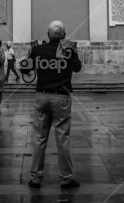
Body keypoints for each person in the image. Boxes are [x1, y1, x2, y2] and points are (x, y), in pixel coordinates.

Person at [21, 20, 82, 190]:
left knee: (39, 139)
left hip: (42, 96)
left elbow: (25, 70)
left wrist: (30, 55)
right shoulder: (68, 51)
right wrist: (73, 51)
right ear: (63, 35)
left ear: (48, 35)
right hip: (61, 98)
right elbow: (77, 68)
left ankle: (35, 177)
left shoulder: (37, 50)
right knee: (63, 140)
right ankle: (66, 178)